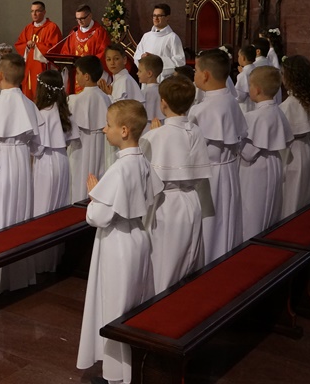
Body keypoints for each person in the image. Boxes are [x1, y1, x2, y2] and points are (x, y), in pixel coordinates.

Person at [76, 100, 158, 384]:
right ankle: (132, 369)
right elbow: (151, 195)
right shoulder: (142, 160)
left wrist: (94, 195)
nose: (103, 129)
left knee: (115, 307)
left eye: (108, 125)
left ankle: (117, 375)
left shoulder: (119, 169)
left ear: (123, 130)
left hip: (116, 243)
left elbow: (97, 216)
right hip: (137, 236)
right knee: (134, 302)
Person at [0, 54, 42, 293]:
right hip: (22, 163)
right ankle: (18, 275)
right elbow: (38, 145)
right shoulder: (29, 105)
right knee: (19, 214)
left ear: (0, 75)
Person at [140, 75, 212, 293]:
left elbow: (143, 174)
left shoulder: (156, 136)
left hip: (166, 206)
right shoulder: (196, 131)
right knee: (189, 258)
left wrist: (152, 134)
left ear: (163, 102)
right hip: (192, 199)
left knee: (164, 261)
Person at [188, 49, 248, 261]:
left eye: (195, 70)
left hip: (209, 176)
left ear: (205, 74)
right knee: (227, 220)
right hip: (229, 171)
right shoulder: (232, 101)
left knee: (211, 226)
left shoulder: (202, 110)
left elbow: (190, 149)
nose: (194, 74)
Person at [239, 66, 293, 239]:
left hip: (255, 169)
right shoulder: (278, 111)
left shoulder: (254, 117)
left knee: (253, 211)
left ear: (256, 89)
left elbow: (248, 153)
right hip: (274, 163)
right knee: (270, 209)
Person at [33, 70, 73, 263]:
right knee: (58, 206)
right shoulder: (64, 110)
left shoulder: (42, 114)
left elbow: (38, 148)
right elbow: (70, 139)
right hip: (62, 160)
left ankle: (41, 261)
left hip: (46, 162)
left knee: (44, 207)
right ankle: (55, 258)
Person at [280, 55, 310, 219]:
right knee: (306, 198)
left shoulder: (289, 105)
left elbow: (281, 140)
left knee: (291, 200)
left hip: (292, 157)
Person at [67, 55, 111, 203]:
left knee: (79, 176)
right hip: (100, 144)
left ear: (86, 76)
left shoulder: (75, 100)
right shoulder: (106, 98)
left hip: (80, 145)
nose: (76, 76)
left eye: (78, 73)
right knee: (97, 172)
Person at [14, 1, 62, 100]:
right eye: (32, 11)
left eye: (37, 11)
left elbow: (55, 47)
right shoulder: (28, 28)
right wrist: (27, 46)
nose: (34, 14)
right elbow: (19, 44)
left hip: (43, 68)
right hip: (29, 68)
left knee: (42, 96)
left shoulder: (52, 27)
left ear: (44, 12)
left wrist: (36, 46)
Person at [133, 3, 185, 80]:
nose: (156, 18)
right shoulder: (146, 36)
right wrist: (142, 57)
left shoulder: (172, 37)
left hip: (164, 80)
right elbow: (137, 56)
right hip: (147, 78)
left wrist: (155, 60)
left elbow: (180, 62)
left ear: (167, 17)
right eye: (154, 15)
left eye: (159, 16)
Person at [63, 4, 110, 70]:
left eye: (82, 18)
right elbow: (66, 51)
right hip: (76, 71)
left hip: (92, 70)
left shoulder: (99, 32)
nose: (79, 21)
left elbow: (103, 52)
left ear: (90, 16)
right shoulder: (74, 32)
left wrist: (88, 64)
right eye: (77, 19)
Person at [137, 54, 164, 126]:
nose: (137, 73)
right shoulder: (163, 90)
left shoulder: (143, 93)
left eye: (140, 71)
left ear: (149, 73)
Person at [235, 45, 259, 112]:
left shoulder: (243, 74)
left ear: (243, 58)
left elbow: (239, 97)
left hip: (246, 107)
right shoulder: (257, 69)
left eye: (238, 56)